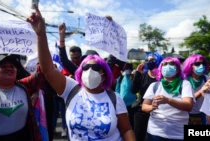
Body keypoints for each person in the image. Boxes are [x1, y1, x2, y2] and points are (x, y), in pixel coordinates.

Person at [27, 4, 136, 141]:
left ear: (104, 74)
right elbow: (48, 69)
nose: (90, 71)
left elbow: (126, 129)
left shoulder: (115, 98)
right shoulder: (71, 90)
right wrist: (41, 34)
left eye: (96, 68)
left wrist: (110, 31)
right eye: (85, 67)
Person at [0, 54, 46, 141]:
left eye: (12, 66)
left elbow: (44, 69)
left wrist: (41, 40)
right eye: (3, 66)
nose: (9, 68)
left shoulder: (25, 86)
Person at [142, 57, 194, 141]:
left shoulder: (185, 84)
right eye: (165, 64)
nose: (168, 66)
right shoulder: (154, 85)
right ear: (160, 69)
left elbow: (188, 106)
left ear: (177, 70)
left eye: (172, 64)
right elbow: (144, 106)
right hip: (155, 132)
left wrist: (168, 100)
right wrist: (152, 107)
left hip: (178, 134)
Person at [131, 52, 163, 141]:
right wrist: (137, 74)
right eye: (147, 60)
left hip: (158, 112)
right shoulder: (142, 75)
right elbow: (133, 90)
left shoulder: (162, 77)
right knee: (138, 137)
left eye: (152, 60)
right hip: (142, 111)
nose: (149, 62)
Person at [182, 54, 210, 125]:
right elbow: (188, 102)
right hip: (187, 115)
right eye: (197, 64)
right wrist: (201, 91)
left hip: (203, 113)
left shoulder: (206, 78)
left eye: (203, 63)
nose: (201, 66)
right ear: (190, 66)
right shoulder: (184, 80)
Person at [115, 63, 137, 129]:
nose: (128, 70)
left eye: (129, 69)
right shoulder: (120, 78)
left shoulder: (134, 78)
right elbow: (117, 90)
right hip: (122, 104)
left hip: (132, 104)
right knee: (123, 121)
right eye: (127, 69)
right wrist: (118, 100)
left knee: (132, 122)